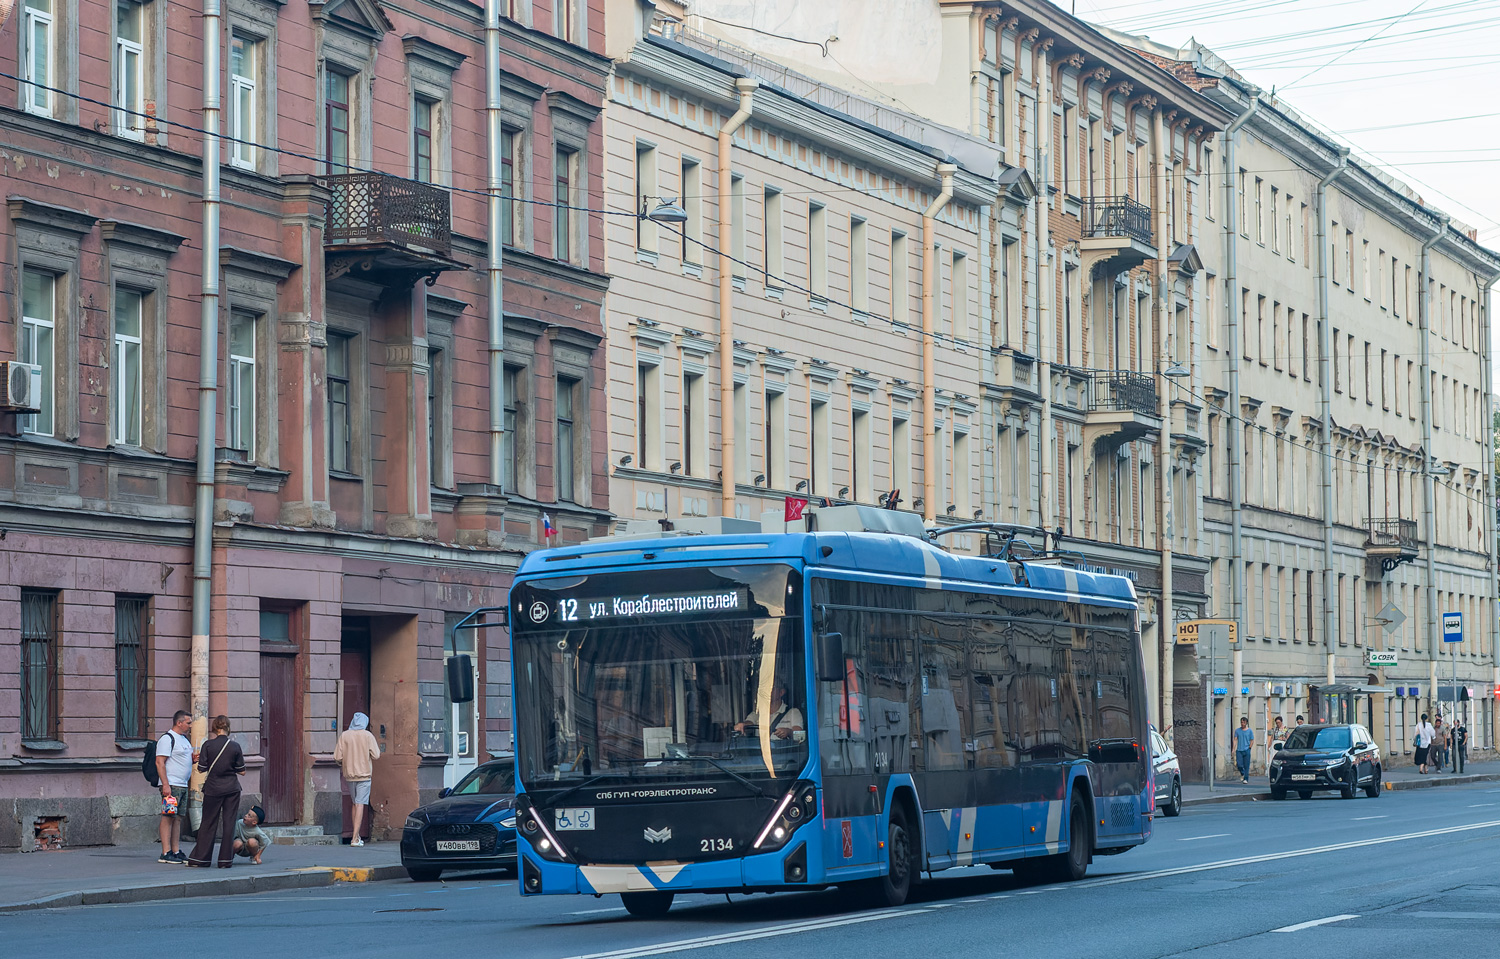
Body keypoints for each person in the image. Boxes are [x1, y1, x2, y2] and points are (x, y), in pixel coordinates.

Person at [187, 715, 246, 868]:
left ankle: (201, 859)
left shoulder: (208, 745)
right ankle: (225, 860)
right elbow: (242, 771)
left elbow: (201, 769)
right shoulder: (235, 746)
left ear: (214, 728)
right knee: (229, 823)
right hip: (232, 788)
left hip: (213, 788)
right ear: (228, 727)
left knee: (208, 822)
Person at [335, 712, 381, 846]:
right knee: (360, 803)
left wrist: (345, 763)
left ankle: (357, 835)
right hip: (364, 774)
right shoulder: (367, 735)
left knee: (355, 803)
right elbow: (376, 755)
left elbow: (337, 757)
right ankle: (355, 838)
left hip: (349, 775)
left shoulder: (345, 735)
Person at [156, 710, 195, 865]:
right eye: (188, 722)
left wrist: (192, 760)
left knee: (178, 818)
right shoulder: (167, 738)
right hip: (171, 784)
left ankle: (176, 851)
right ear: (179, 723)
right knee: (168, 817)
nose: (190, 725)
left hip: (183, 784)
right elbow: (160, 762)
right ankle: (165, 852)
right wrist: (165, 784)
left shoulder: (184, 739)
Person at [733, 684, 805, 740]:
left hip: (783, 755)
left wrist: (789, 732)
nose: (767, 690)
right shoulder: (757, 713)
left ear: (781, 692)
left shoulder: (793, 713)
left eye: (771, 687)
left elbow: (800, 736)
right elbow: (749, 722)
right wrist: (743, 725)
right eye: (765, 687)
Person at [1232, 717, 1255, 784]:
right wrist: (1233, 749)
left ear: (1246, 723)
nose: (1242, 724)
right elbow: (1235, 739)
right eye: (1241, 722)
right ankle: (1242, 773)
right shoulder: (1237, 731)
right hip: (1239, 750)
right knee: (1239, 764)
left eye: (1244, 722)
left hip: (1246, 749)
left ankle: (1246, 779)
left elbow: (1252, 740)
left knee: (1246, 765)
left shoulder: (1249, 731)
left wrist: (1249, 748)